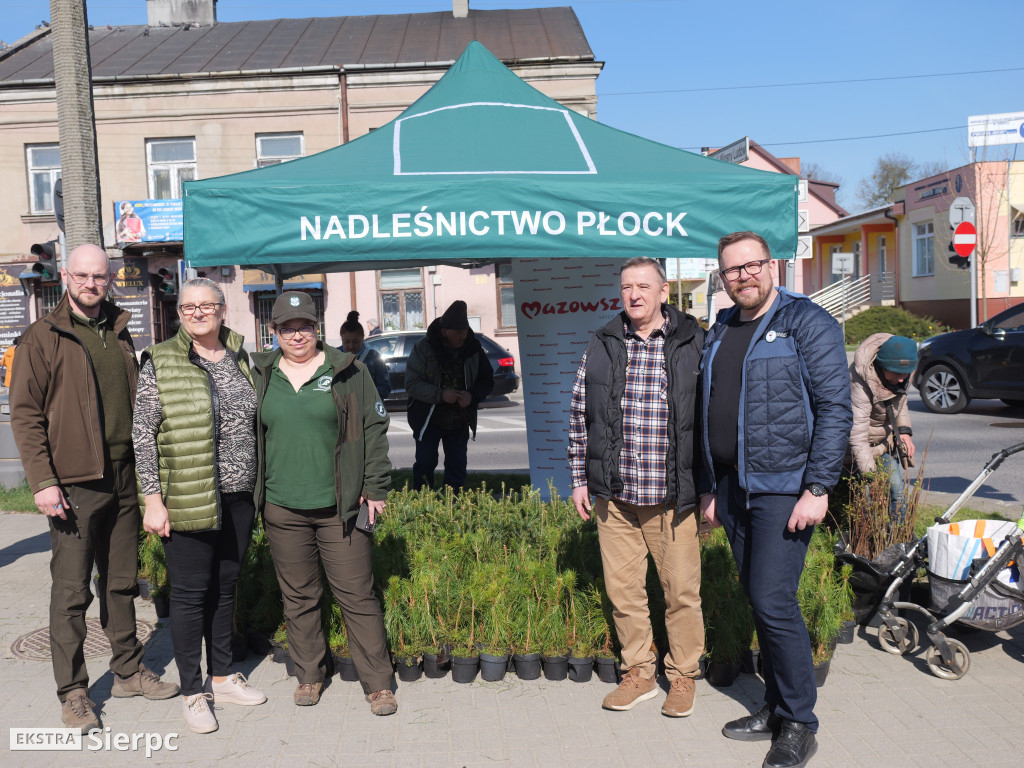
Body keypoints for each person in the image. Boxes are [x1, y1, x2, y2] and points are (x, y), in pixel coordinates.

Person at [10, 244, 179, 733]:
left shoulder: (119, 330)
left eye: (99, 276)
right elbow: (25, 414)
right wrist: (44, 481)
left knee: (121, 582)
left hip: (125, 475)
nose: (91, 284)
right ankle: (74, 692)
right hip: (74, 484)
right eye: (82, 275)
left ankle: (127, 671)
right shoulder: (42, 337)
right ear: (66, 275)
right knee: (70, 592)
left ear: (110, 278)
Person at [698, 232, 851, 768]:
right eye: (732, 270)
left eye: (752, 265)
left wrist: (818, 487)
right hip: (733, 487)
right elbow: (711, 408)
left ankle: (800, 723)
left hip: (785, 488)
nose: (743, 276)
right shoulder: (721, 327)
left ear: (771, 266)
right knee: (756, 596)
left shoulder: (807, 322)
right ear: (722, 277)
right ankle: (776, 707)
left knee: (773, 600)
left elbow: (835, 408)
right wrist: (711, 488)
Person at [567, 256, 705, 717]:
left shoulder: (694, 341)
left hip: (672, 498)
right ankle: (640, 673)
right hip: (616, 497)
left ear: (664, 292)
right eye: (627, 286)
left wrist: (710, 487)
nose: (634, 294)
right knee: (625, 593)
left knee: (681, 593)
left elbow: (711, 419)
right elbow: (580, 414)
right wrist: (579, 479)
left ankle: (682, 676)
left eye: (644, 286)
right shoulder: (603, 342)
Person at [132, 277, 266, 734]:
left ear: (222, 309)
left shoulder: (240, 356)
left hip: (238, 496)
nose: (196, 313)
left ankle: (223, 677)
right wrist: (153, 499)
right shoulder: (161, 360)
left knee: (226, 588)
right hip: (187, 496)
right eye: (187, 307)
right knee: (190, 596)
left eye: (205, 305)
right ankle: (193, 692)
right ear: (179, 314)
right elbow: (142, 435)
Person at [252, 291, 396, 714]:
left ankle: (378, 684)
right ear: (274, 331)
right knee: (299, 597)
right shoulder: (261, 374)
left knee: (357, 596)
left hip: (341, 507)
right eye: (287, 328)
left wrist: (376, 487)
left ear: (317, 328)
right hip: (282, 507)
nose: (297, 335)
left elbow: (374, 429)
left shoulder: (348, 371)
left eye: (304, 327)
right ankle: (309, 675)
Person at [405, 300, 494, 493]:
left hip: (459, 420)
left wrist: (472, 395)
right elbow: (412, 384)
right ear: (445, 331)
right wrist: (441, 395)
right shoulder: (423, 348)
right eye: (458, 332)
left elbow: (487, 380)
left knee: (457, 466)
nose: (463, 336)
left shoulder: (473, 348)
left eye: (464, 331)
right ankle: (422, 502)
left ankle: (453, 503)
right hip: (427, 420)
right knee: (425, 464)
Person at [848, 333, 917, 522]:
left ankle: (899, 533)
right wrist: (872, 477)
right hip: (859, 447)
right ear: (881, 366)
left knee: (897, 490)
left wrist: (903, 431)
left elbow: (899, 402)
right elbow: (857, 434)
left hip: (884, 443)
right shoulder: (859, 382)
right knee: (865, 498)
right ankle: (868, 533)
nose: (902, 379)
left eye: (905, 373)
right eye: (896, 373)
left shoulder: (903, 374)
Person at [339, 310, 392, 401]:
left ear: (363, 338)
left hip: (367, 407)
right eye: (346, 342)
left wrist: (365, 393)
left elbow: (385, 388)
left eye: (355, 342)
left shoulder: (374, 357)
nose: (351, 346)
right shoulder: (334, 356)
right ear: (341, 338)